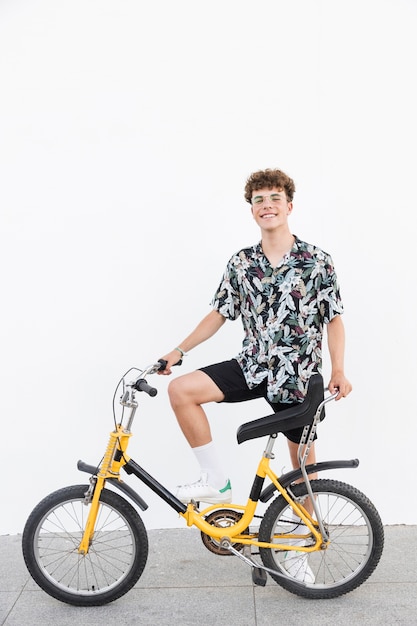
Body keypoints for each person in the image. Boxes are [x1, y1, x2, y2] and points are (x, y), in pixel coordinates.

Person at [158, 168, 352, 506]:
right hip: (252, 367)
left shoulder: (317, 262)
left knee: (302, 465)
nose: (267, 205)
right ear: (252, 210)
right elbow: (219, 313)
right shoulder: (241, 263)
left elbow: (333, 320)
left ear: (289, 206)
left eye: (275, 198)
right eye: (259, 200)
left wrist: (338, 370)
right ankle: (216, 480)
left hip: (298, 376)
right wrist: (178, 350)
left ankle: (304, 537)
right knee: (181, 390)